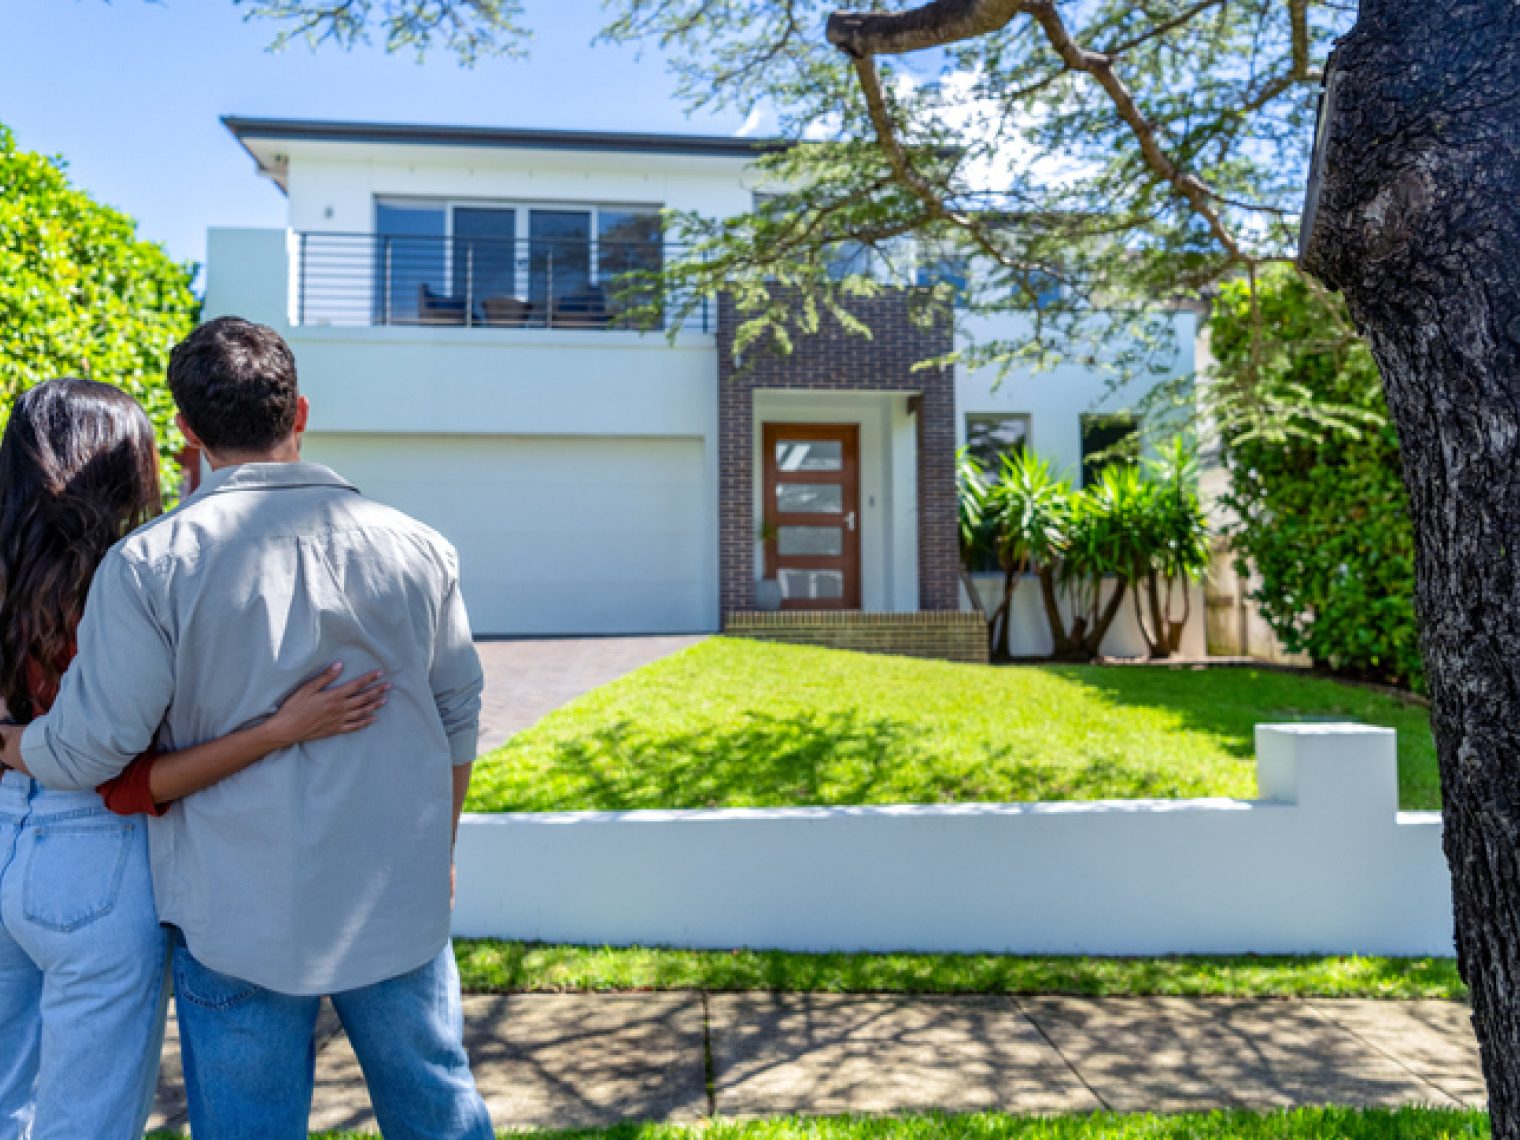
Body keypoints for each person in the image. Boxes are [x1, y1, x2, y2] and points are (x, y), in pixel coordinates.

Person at [2, 317, 493, 1138]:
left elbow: (92, 749)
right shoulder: (421, 549)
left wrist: (18, 745)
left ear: (187, 433)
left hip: (234, 920)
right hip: (393, 904)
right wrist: (440, 848)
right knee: (439, 1116)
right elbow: (459, 716)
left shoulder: (152, 564)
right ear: (299, 411)